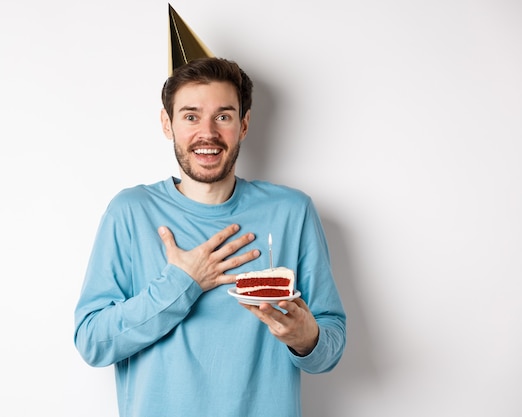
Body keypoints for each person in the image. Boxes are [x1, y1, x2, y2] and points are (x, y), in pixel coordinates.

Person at [74, 57, 346, 417]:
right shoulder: (130, 212)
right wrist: (183, 281)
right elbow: (93, 342)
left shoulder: (291, 212)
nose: (208, 133)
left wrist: (306, 339)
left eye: (223, 116)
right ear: (167, 123)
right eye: (190, 116)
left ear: (244, 124)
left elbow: (330, 346)